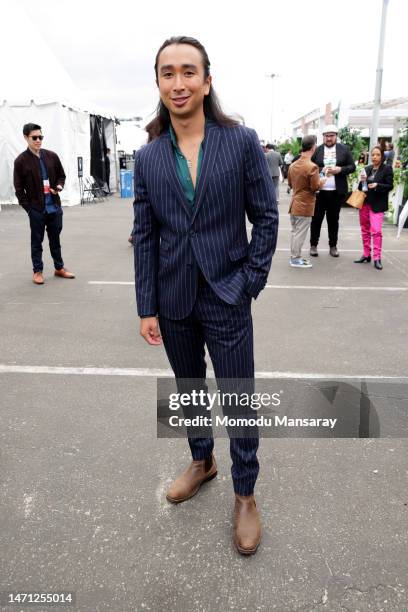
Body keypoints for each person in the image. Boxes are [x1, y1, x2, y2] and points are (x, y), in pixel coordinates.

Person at [132, 36, 278, 555]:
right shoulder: (147, 156)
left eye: (188, 71)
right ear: (158, 82)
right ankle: (202, 460)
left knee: (238, 394)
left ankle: (245, 494)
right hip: (173, 299)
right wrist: (146, 304)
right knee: (189, 386)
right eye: (167, 72)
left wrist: (249, 282)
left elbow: (265, 217)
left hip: (227, 293)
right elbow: (145, 233)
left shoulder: (240, 142)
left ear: (207, 80)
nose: (178, 82)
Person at [13, 123, 75, 285]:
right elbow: (19, 189)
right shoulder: (20, 161)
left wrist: (59, 187)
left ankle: (59, 267)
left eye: (41, 137)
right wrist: (29, 209)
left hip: (54, 206)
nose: (38, 140)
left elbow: (62, 175)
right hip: (37, 209)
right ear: (26, 137)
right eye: (34, 137)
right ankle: (37, 271)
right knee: (36, 241)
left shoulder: (51, 156)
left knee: (55, 239)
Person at [310, 124, 355, 258]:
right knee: (316, 219)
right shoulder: (317, 150)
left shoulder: (344, 149)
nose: (329, 138)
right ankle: (313, 245)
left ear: (336, 136)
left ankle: (333, 246)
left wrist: (340, 170)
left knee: (333, 220)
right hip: (320, 191)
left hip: (336, 192)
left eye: (331, 136)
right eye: (326, 136)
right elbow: (310, 167)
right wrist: (320, 169)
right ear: (323, 137)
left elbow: (352, 167)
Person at [287, 135, 326, 268]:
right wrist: (323, 179)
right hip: (304, 206)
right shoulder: (312, 167)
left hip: (294, 204)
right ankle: (295, 258)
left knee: (295, 232)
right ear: (314, 147)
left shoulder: (292, 165)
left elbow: (291, 184)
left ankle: (294, 256)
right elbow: (315, 187)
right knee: (299, 233)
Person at [354, 145, 393, 270]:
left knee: (376, 231)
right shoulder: (367, 168)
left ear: (382, 156)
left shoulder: (387, 169)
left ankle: (377, 258)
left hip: (377, 205)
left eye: (378, 155)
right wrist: (362, 181)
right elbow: (361, 188)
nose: (375, 157)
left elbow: (389, 186)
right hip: (364, 204)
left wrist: (377, 185)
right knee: (364, 229)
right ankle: (366, 254)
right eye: (373, 155)